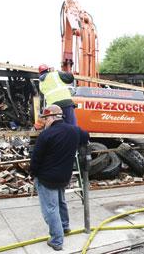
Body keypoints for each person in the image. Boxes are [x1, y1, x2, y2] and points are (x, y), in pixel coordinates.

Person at [30, 104, 89, 251]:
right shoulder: (74, 130)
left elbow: (36, 159)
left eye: (45, 118)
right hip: (64, 176)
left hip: (46, 178)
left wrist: (33, 174)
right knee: (61, 202)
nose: (44, 122)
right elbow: (86, 136)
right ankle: (65, 227)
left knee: (50, 209)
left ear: (51, 117)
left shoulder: (46, 135)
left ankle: (56, 240)